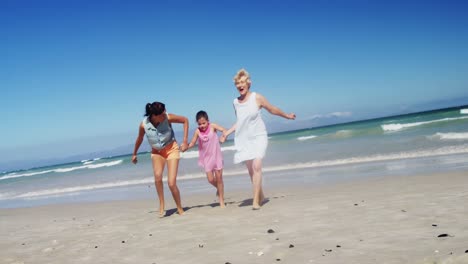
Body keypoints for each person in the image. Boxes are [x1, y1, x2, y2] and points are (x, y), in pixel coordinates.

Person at [223, 68, 296, 210]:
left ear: (248, 83)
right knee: (252, 171)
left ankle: (255, 200)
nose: (240, 85)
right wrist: (227, 132)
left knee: (257, 165)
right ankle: (260, 194)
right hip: (244, 138)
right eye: (237, 83)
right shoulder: (235, 102)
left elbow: (272, 109)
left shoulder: (257, 97)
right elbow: (240, 121)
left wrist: (287, 116)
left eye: (242, 82)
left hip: (258, 136)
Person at [132, 101, 189, 217]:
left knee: (171, 183)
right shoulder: (144, 125)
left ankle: (179, 207)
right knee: (158, 177)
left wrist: (184, 141)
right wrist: (134, 153)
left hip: (171, 149)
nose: (165, 114)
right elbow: (140, 138)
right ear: (154, 115)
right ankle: (162, 203)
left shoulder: (168, 117)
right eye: (162, 114)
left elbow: (185, 120)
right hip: (157, 152)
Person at [187, 110, 227, 208]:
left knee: (219, 178)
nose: (202, 126)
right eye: (200, 124)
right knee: (210, 179)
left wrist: (223, 137)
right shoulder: (197, 131)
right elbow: (192, 142)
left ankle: (221, 201)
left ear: (208, 121)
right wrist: (186, 147)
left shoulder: (212, 126)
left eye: (204, 123)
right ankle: (219, 188)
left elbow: (224, 130)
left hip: (216, 156)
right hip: (207, 158)